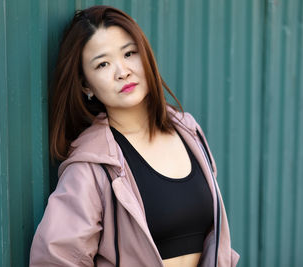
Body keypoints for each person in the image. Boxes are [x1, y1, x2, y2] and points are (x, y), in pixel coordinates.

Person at [30, 5, 239, 267]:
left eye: (129, 53)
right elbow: (55, 258)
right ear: (86, 85)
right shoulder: (93, 165)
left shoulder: (188, 131)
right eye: (103, 64)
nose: (122, 71)